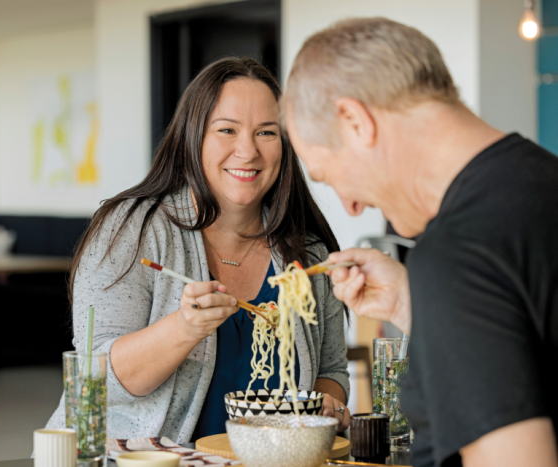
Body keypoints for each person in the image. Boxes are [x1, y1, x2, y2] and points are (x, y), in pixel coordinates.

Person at [283, 17, 558, 467]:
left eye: (326, 174)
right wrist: (413, 305)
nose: (350, 206)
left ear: (355, 121)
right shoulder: (542, 184)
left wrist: (439, 286)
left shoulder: (457, 253)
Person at [45, 57, 350, 443]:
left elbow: (332, 371)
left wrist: (327, 405)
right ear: (194, 137)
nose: (247, 151)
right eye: (227, 130)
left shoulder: (308, 255)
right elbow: (93, 379)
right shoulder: (132, 230)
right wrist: (183, 328)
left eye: (267, 133)